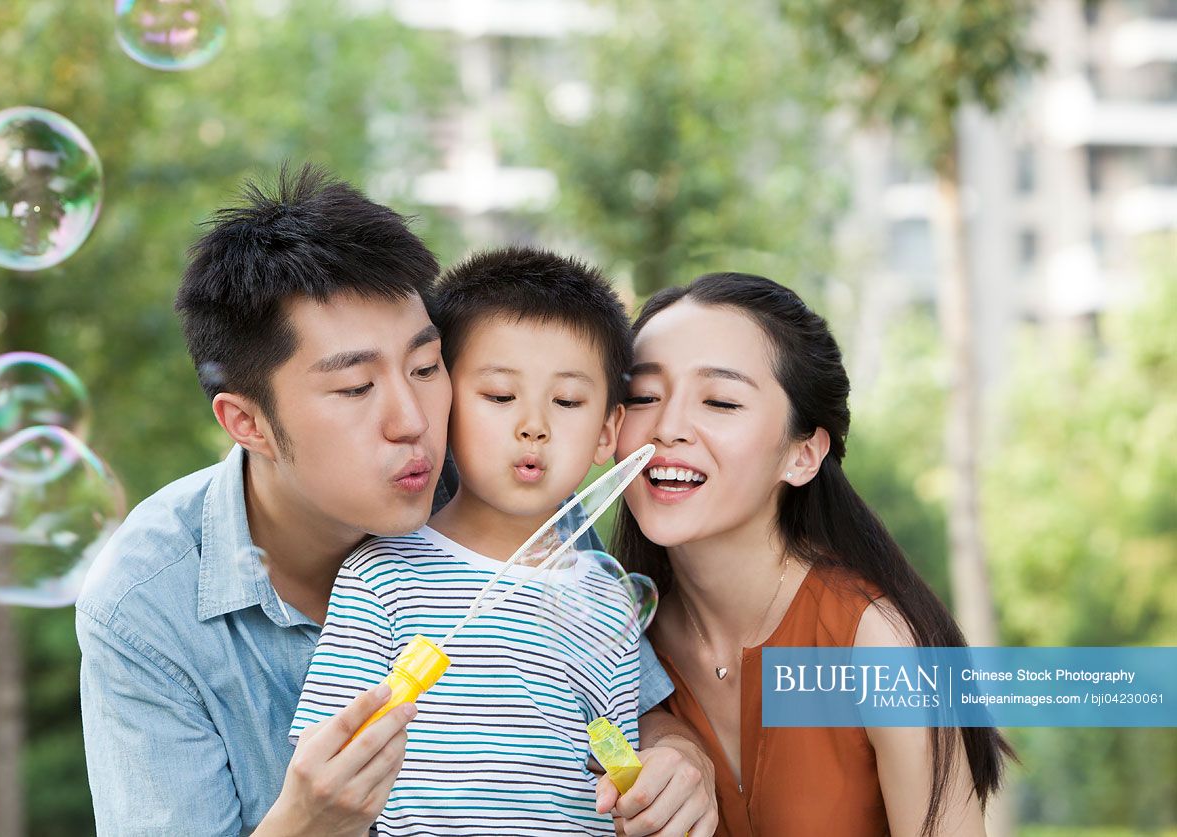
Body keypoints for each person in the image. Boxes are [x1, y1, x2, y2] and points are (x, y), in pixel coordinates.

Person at [76, 165, 715, 836]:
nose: (412, 418)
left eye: (424, 366)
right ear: (247, 422)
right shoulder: (143, 608)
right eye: (355, 387)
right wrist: (306, 823)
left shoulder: (501, 478)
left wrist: (678, 756)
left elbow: (612, 706)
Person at [290, 247, 714, 837]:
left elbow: (610, 750)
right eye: (498, 396)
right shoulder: (380, 577)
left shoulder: (605, 598)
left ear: (607, 432)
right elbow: (330, 761)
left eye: (566, 402)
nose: (533, 425)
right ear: (445, 405)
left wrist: (640, 790)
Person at [612, 272, 1014, 837]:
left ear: (802, 455)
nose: (668, 426)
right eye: (642, 397)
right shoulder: (608, 638)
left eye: (721, 401)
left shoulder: (878, 644)